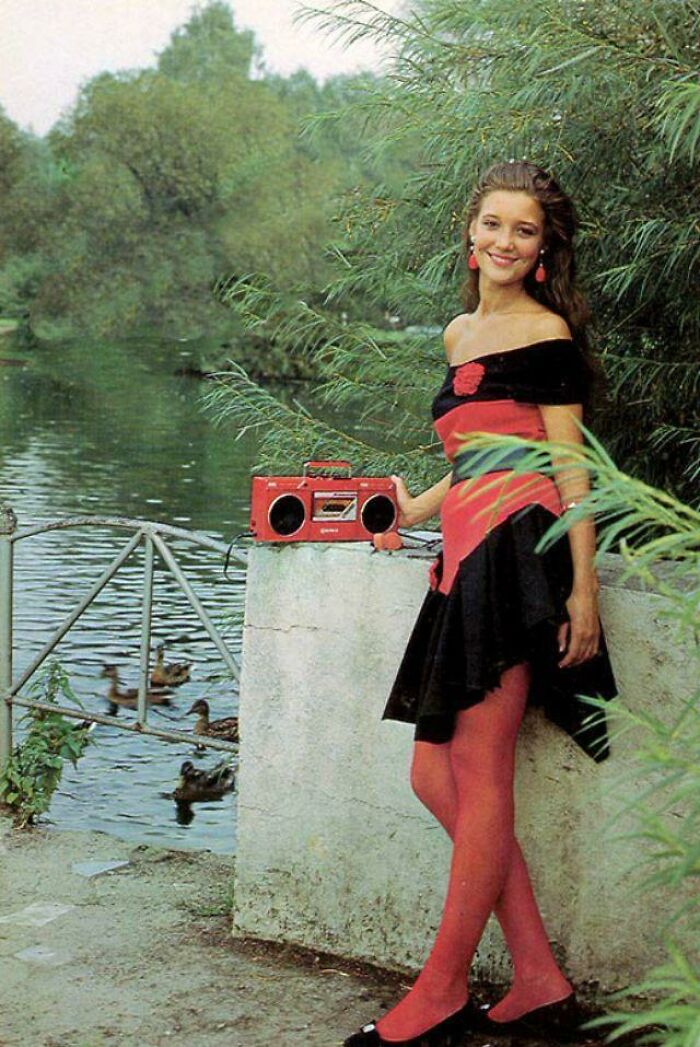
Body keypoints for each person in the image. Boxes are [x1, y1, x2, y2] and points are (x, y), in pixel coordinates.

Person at [344, 160, 618, 1047]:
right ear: (471, 233)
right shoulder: (460, 332)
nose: (505, 241)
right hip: (461, 559)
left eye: (525, 230)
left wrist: (583, 585)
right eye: (493, 224)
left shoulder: (547, 337)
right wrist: (408, 513)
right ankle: (536, 974)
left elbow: (569, 468)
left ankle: (440, 991)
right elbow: (475, 453)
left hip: (516, 562)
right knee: (434, 773)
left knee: (478, 771)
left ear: (543, 251)